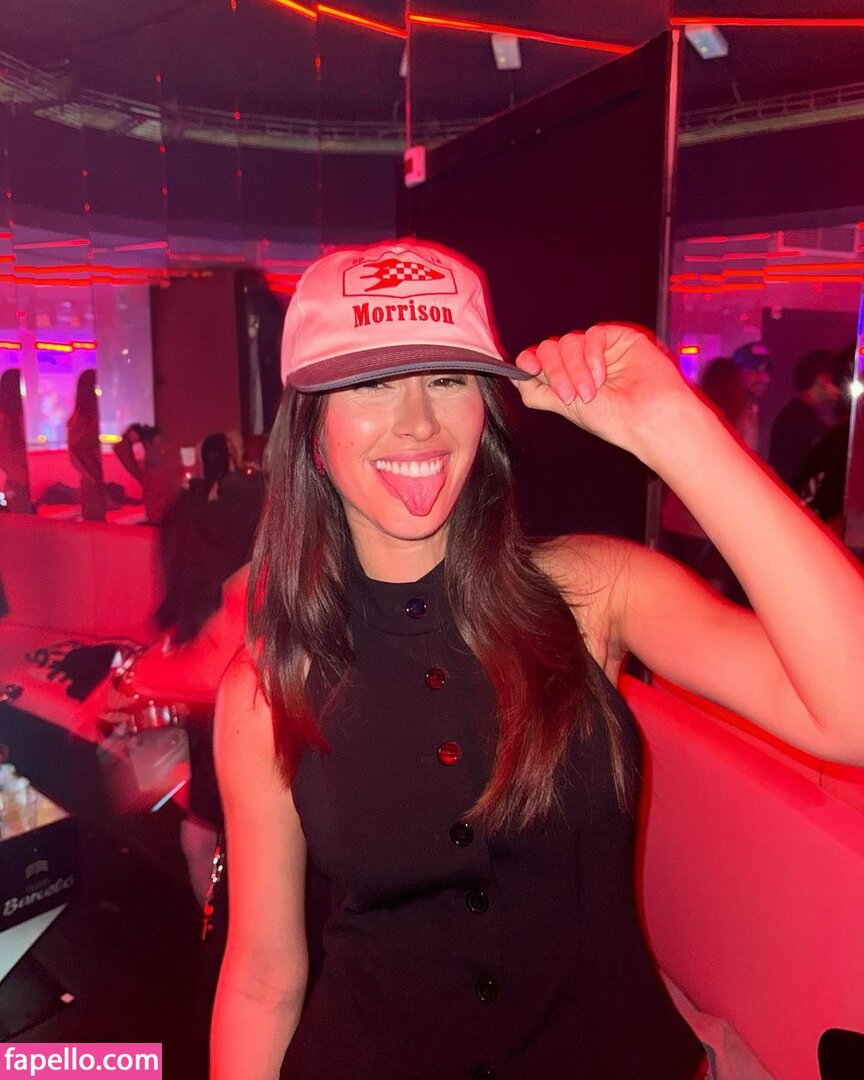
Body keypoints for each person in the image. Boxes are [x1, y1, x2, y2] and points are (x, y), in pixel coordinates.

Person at [210, 240, 864, 1080]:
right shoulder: (268, 689)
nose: (418, 420)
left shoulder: (594, 592)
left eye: (448, 378)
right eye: (372, 383)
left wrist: (674, 427)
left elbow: (852, 713)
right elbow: (263, 980)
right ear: (311, 432)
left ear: (486, 408)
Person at [769, 349, 840, 491]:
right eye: (837, 379)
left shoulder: (793, 414)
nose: (839, 387)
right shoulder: (802, 420)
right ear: (822, 378)